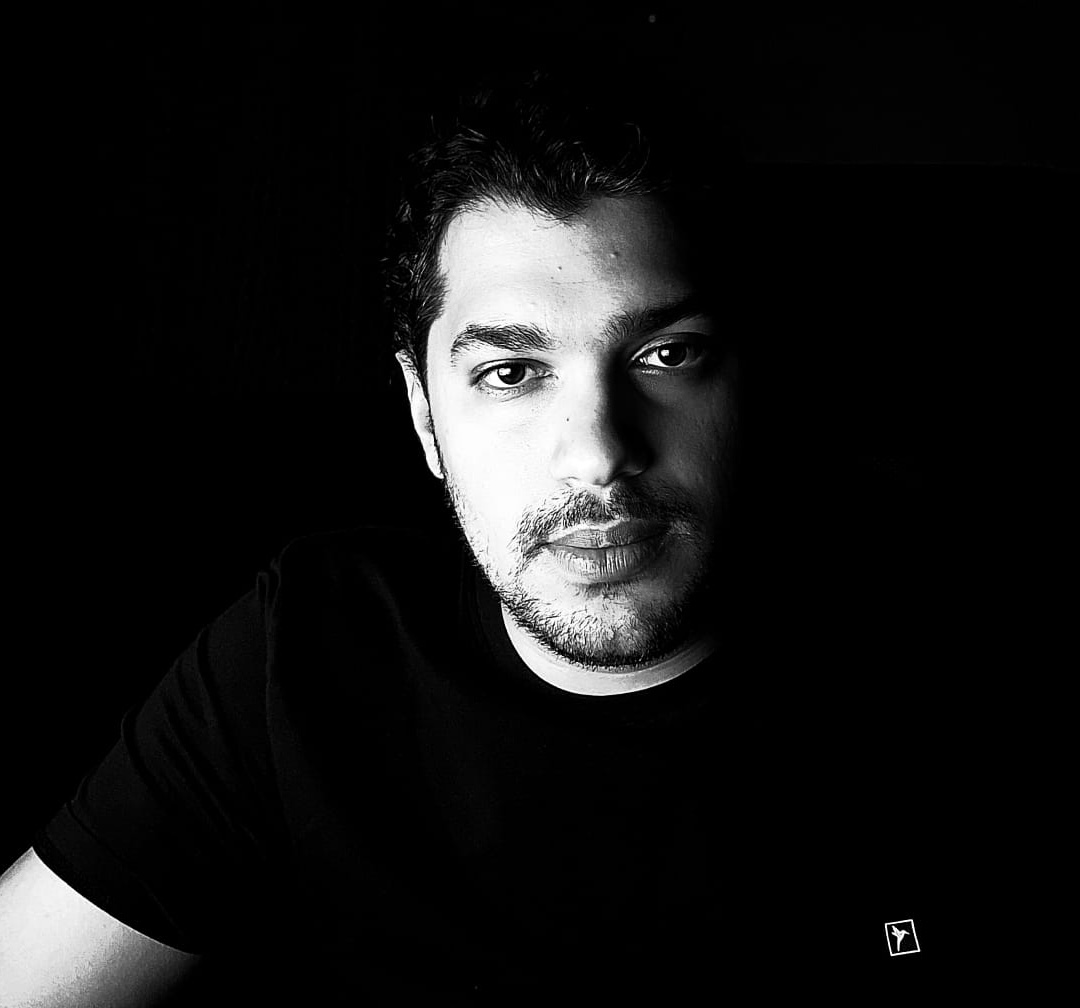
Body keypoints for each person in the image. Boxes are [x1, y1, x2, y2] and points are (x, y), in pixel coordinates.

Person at [0, 71, 990, 1002]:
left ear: (749, 377)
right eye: (511, 373)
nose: (597, 455)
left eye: (666, 354)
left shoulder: (937, 670)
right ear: (424, 415)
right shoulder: (303, 654)